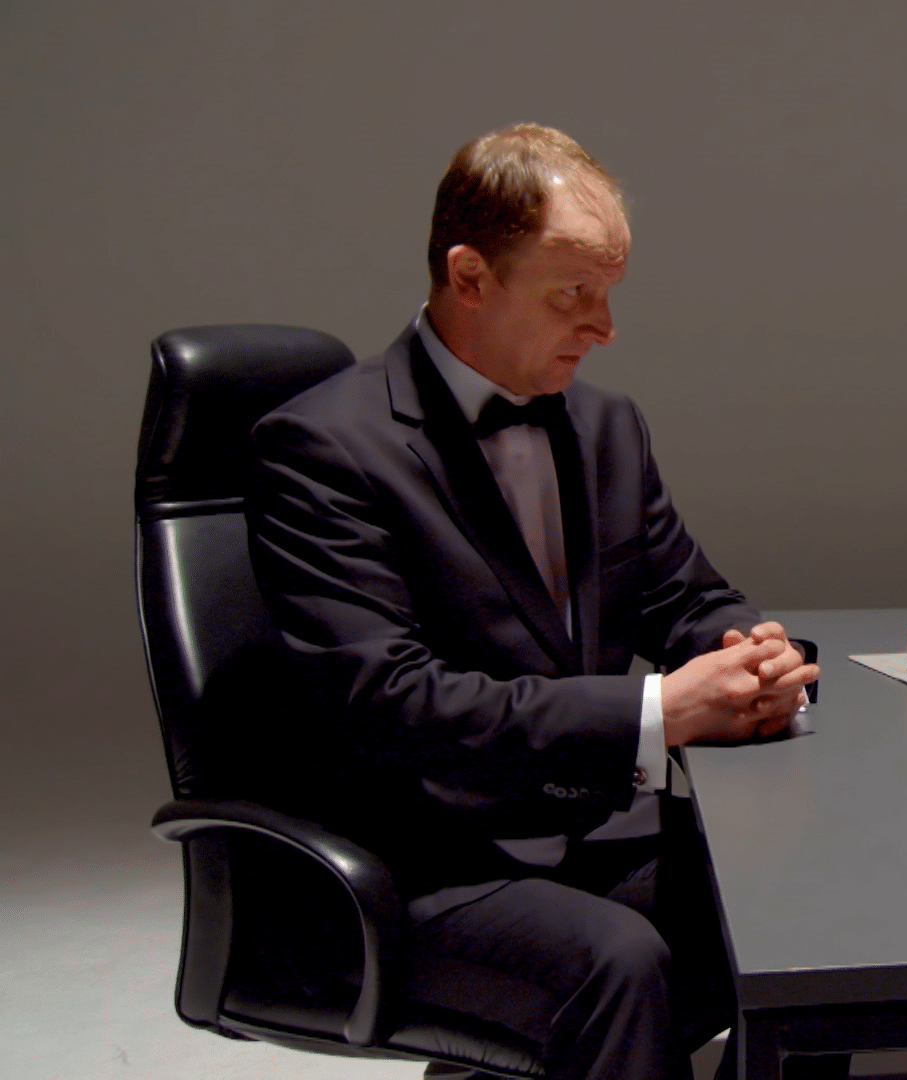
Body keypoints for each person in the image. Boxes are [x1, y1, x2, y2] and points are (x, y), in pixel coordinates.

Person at [247, 124, 819, 1080]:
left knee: (808, 897)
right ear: (470, 278)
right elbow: (391, 701)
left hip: (583, 825)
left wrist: (744, 646)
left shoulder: (605, 425)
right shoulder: (321, 448)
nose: (604, 327)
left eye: (608, 293)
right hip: (419, 860)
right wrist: (658, 711)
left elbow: (682, 596)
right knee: (618, 964)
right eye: (574, 296)